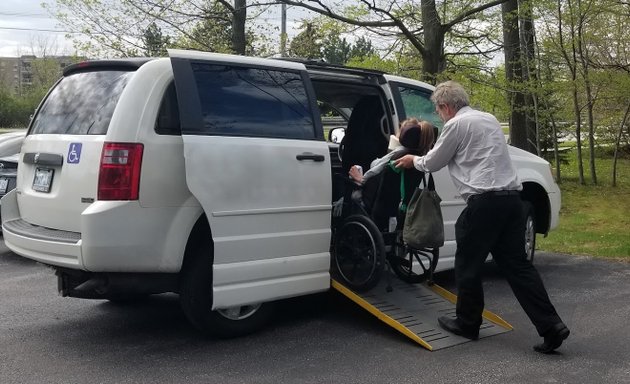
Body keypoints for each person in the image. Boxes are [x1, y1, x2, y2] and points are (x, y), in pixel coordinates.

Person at [393, 80, 570, 354]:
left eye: (439, 111)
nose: (439, 116)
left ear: (446, 106)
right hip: (513, 202)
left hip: (484, 203)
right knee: (519, 268)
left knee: (467, 264)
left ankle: (467, 322)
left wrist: (411, 160)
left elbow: (434, 161)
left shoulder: (455, 125)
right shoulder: (489, 119)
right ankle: (551, 326)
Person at [348, 118, 435, 184]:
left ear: (404, 134)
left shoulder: (398, 153)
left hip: (373, 198)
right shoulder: (420, 157)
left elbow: (375, 170)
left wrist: (360, 178)